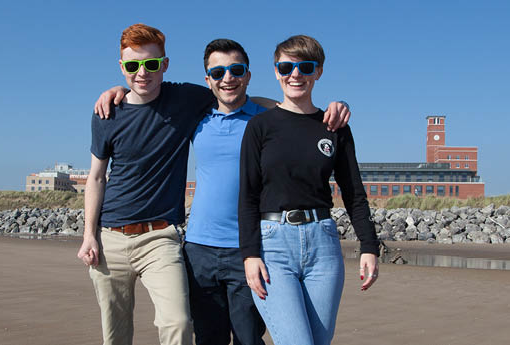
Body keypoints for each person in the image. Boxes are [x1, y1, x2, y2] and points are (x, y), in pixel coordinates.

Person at [93, 37, 351, 345]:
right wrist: (118, 90)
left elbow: (291, 107)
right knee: (207, 338)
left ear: (248, 75)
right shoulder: (196, 116)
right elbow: (147, 96)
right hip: (198, 251)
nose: (227, 79)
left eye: (236, 70)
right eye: (217, 73)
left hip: (249, 251)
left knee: (247, 337)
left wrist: (330, 109)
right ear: (208, 80)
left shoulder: (265, 120)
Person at [77, 23, 215, 345]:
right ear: (122, 67)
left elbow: (236, 96)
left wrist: (301, 111)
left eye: (151, 64)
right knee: (116, 334)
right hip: (110, 239)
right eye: (133, 65)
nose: (142, 73)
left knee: (178, 323)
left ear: (164, 65)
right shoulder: (106, 112)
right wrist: (88, 236)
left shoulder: (185, 99)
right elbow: (96, 177)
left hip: (161, 239)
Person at [238, 35, 380, 345]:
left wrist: (369, 246)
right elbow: (248, 195)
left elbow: (354, 192)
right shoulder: (260, 127)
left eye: (305, 66)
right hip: (273, 247)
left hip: (324, 246)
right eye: (286, 67)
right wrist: (249, 255)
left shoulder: (334, 126)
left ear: (318, 72)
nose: (295, 74)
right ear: (276, 71)